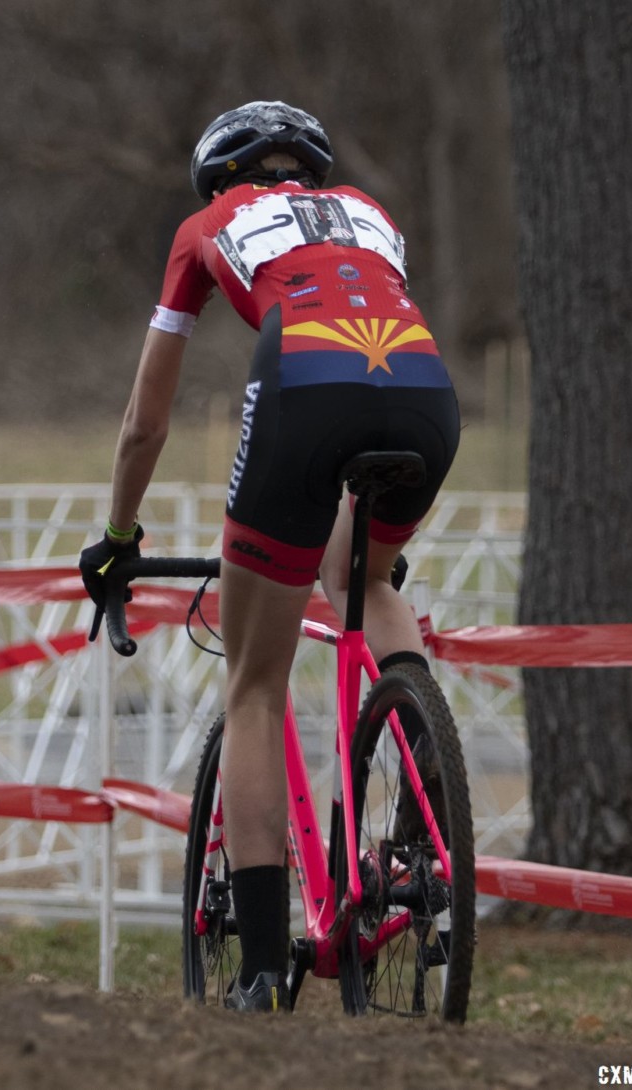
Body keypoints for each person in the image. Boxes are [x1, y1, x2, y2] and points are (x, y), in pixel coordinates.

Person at [78, 102, 460, 1011]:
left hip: (305, 384)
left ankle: (256, 968)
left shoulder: (207, 224)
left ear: (219, 178)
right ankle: (424, 791)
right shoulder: (372, 212)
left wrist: (121, 537)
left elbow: (146, 422)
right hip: (425, 391)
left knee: (254, 682)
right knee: (360, 575)